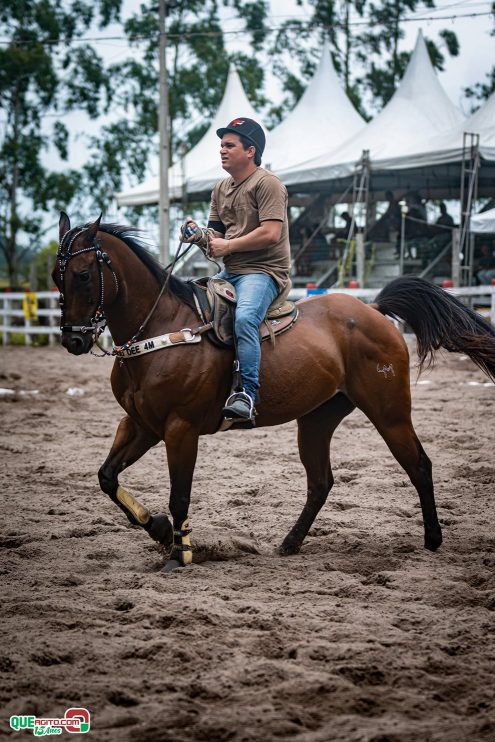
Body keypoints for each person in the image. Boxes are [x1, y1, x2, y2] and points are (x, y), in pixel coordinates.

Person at [179, 117, 291, 423]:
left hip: (265, 272)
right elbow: (216, 236)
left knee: (244, 319)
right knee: (192, 308)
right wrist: (199, 237)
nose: (222, 150)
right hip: (230, 273)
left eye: (230, 145)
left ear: (250, 151)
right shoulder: (220, 188)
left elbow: (270, 234)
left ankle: (247, 394)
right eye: (221, 145)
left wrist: (227, 247)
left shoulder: (268, 184)